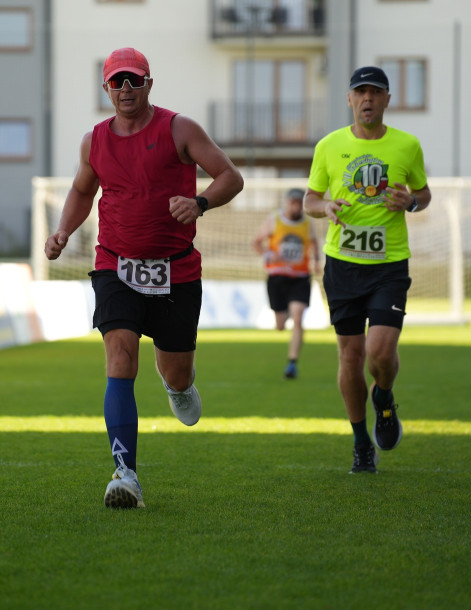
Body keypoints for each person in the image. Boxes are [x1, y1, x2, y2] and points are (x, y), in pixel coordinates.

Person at [44, 47, 243, 509]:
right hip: (116, 264)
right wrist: (62, 231)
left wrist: (200, 203)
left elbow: (229, 176)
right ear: (106, 89)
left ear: (149, 84)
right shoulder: (93, 141)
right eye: (117, 82)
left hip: (176, 269)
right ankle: (125, 473)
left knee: (175, 369)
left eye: (134, 80)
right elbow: (81, 190)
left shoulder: (180, 129)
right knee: (120, 356)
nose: (126, 89)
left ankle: (178, 385)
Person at [303, 66, 431, 474]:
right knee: (350, 356)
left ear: (387, 100)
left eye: (376, 92)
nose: (368, 99)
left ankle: (385, 396)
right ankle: (361, 443)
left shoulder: (407, 145)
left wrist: (409, 202)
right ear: (349, 99)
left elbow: (424, 194)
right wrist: (324, 207)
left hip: (389, 264)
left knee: (380, 352)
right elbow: (310, 198)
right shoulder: (328, 145)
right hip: (342, 265)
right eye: (361, 92)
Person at [252, 188, 320, 379]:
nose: (296, 207)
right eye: (293, 203)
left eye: (300, 203)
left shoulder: (307, 223)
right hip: (277, 277)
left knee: (298, 318)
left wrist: (317, 261)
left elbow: (314, 243)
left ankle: (292, 363)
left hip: (300, 277)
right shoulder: (275, 220)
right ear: (287, 202)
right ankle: (287, 311)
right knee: (280, 325)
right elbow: (256, 242)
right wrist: (268, 254)